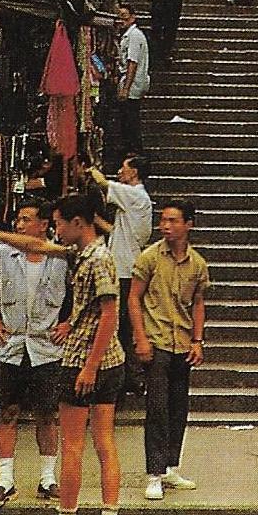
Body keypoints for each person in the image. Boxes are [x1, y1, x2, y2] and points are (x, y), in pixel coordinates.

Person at [0, 194, 126, 515]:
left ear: (77, 223)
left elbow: (109, 316)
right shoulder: (81, 253)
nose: (54, 230)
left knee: (77, 444)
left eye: (58, 223)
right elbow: (32, 244)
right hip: (97, 359)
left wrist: (88, 366)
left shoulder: (96, 259)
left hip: (85, 360)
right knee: (101, 443)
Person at [0, 199, 69, 507]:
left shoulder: (61, 258)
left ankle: (48, 478)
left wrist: (69, 323)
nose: (20, 225)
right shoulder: (4, 254)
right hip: (10, 346)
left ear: (43, 225)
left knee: (47, 415)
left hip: (46, 348)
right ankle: (4, 479)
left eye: (27, 220)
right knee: (7, 412)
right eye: (18, 219)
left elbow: (86, 295)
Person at [128, 198, 209, 500]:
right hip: (157, 338)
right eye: (163, 220)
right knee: (157, 408)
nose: (166, 226)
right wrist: (140, 338)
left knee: (179, 407)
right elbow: (134, 298)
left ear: (188, 224)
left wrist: (198, 340)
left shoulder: (198, 263)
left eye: (174, 220)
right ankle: (154, 472)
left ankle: (171, 465)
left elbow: (199, 302)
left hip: (183, 341)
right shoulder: (149, 257)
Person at [87, 155, 153, 396]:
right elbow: (118, 232)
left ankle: (131, 378)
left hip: (125, 270)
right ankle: (129, 378)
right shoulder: (135, 201)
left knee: (121, 325)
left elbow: (103, 183)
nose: (120, 172)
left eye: (124, 168)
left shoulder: (134, 194)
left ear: (134, 172)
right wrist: (95, 221)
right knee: (121, 325)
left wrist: (90, 167)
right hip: (125, 265)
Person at [115, 4, 150, 159]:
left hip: (133, 83)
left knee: (131, 118)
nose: (122, 20)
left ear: (133, 17)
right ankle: (131, 148)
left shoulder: (134, 36)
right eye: (119, 17)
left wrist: (126, 88)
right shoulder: (128, 35)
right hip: (131, 82)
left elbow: (132, 62)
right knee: (128, 117)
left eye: (125, 16)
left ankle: (135, 149)